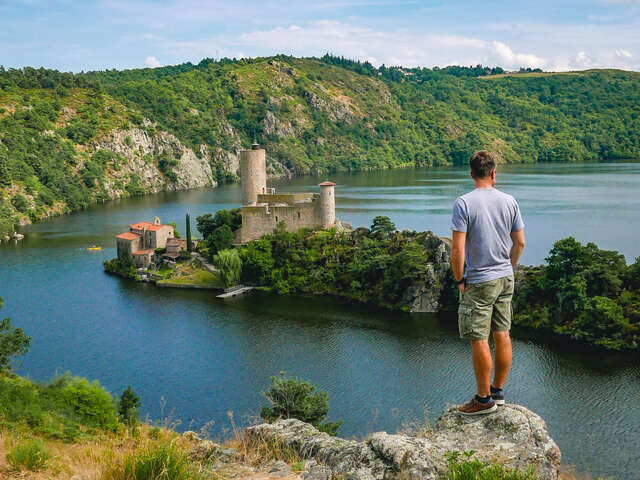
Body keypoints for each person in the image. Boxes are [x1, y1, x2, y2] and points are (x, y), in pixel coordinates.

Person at [451, 150, 525, 415]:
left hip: (480, 280)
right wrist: (509, 266)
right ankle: (498, 392)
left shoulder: (464, 203)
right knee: (502, 334)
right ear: (494, 173)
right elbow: (520, 243)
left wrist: (460, 279)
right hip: (505, 277)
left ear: (471, 174)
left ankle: (483, 401)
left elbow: (457, 250)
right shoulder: (509, 201)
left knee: (479, 338)